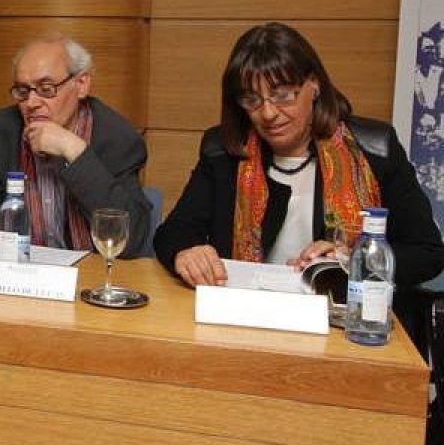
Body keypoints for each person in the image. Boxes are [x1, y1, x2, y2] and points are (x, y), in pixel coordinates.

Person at [152, 22, 444, 350]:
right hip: (242, 327)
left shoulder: (374, 151)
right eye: (252, 100)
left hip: (343, 334)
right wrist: (185, 252)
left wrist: (352, 260)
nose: (268, 113)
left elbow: (428, 252)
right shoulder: (224, 151)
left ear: (314, 86)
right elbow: (173, 232)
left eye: (282, 96)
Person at [0, 33, 152, 270]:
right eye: (23, 91)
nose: (32, 103)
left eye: (46, 89)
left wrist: (74, 151)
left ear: (81, 84)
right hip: (17, 272)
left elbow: (131, 237)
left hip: (89, 277)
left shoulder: (116, 136)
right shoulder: (2, 129)